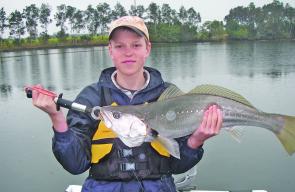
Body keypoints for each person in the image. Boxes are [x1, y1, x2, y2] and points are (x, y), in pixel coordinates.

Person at [30, 16, 222, 192]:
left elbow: (178, 166)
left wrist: (197, 140)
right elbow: (75, 165)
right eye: (120, 46)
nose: (128, 52)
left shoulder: (168, 96)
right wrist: (56, 117)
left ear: (148, 48)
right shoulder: (91, 96)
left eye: (136, 45)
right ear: (110, 50)